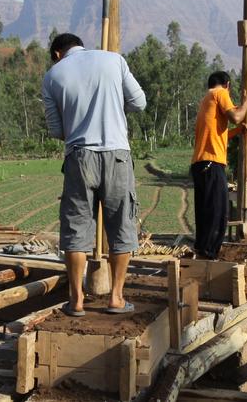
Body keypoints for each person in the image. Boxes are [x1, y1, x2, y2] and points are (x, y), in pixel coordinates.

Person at [42, 33, 147, 316]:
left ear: (56, 54)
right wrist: (113, 107)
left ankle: (76, 301)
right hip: (117, 155)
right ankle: (116, 297)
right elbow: (139, 102)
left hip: (79, 157)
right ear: (81, 45)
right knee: (121, 226)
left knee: (76, 230)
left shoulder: (53, 76)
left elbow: (55, 130)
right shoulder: (114, 60)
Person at [191, 71, 247, 259]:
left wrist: (238, 131)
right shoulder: (220, 93)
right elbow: (236, 116)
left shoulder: (207, 100)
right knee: (218, 212)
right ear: (227, 84)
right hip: (212, 163)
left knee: (206, 211)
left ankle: (202, 250)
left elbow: (219, 135)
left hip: (201, 164)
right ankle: (209, 254)